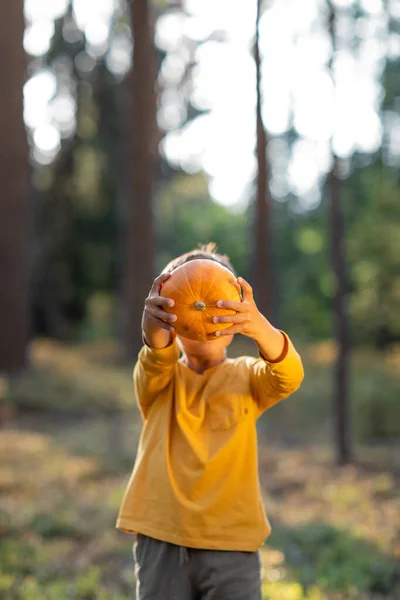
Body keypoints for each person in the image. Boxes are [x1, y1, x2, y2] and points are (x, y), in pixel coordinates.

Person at [116, 243, 304, 600]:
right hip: (162, 538)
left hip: (232, 542)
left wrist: (261, 328)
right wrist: (155, 333)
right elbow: (155, 360)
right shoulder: (161, 378)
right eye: (191, 305)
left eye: (221, 307)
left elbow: (288, 376)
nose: (205, 313)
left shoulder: (248, 377)